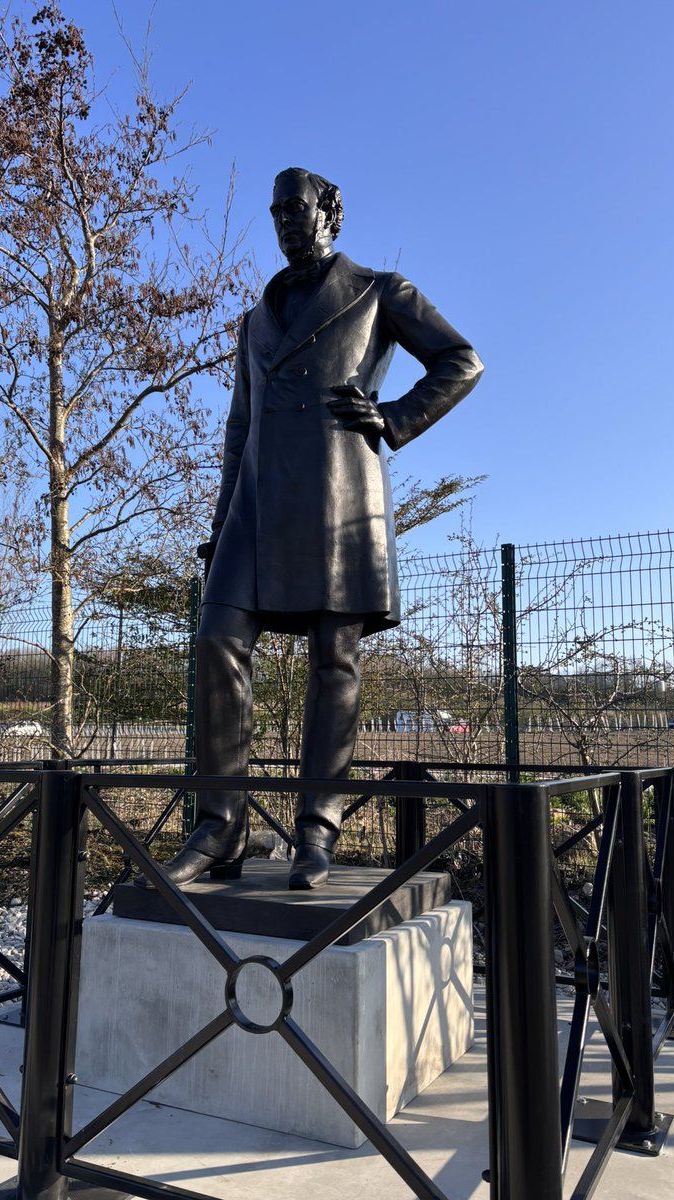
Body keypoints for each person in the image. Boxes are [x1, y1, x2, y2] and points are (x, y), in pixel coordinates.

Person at [161, 166, 483, 889]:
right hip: (254, 507)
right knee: (217, 635)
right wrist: (221, 525)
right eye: (274, 212)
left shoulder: (379, 291)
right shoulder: (255, 319)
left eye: (295, 209)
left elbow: (463, 361)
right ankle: (219, 830)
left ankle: (317, 832)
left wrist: (395, 418)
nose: (283, 222)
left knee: (335, 660)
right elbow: (238, 427)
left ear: (331, 213)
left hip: (340, 496)